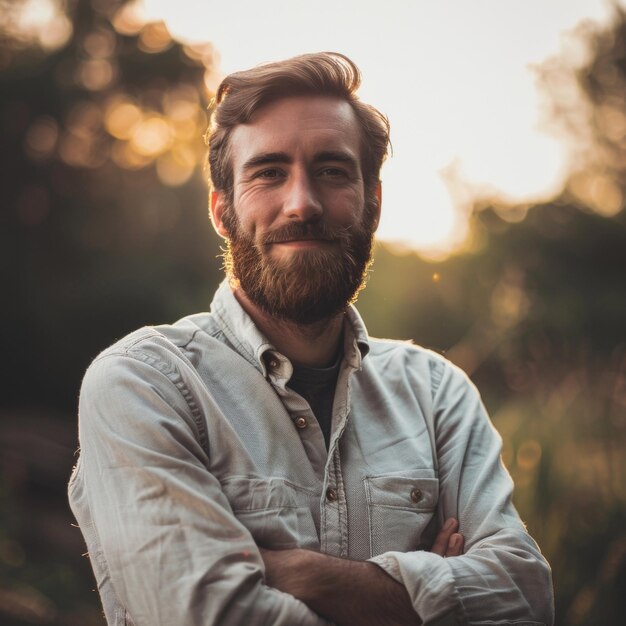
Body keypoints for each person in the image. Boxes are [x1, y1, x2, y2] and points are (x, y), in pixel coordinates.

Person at [68, 52, 554, 626]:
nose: (302, 203)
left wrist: (301, 574)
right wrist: (425, 593)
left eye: (331, 170)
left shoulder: (437, 392)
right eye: (269, 172)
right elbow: (211, 615)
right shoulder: (144, 384)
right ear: (222, 210)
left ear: (373, 202)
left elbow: (524, 596)